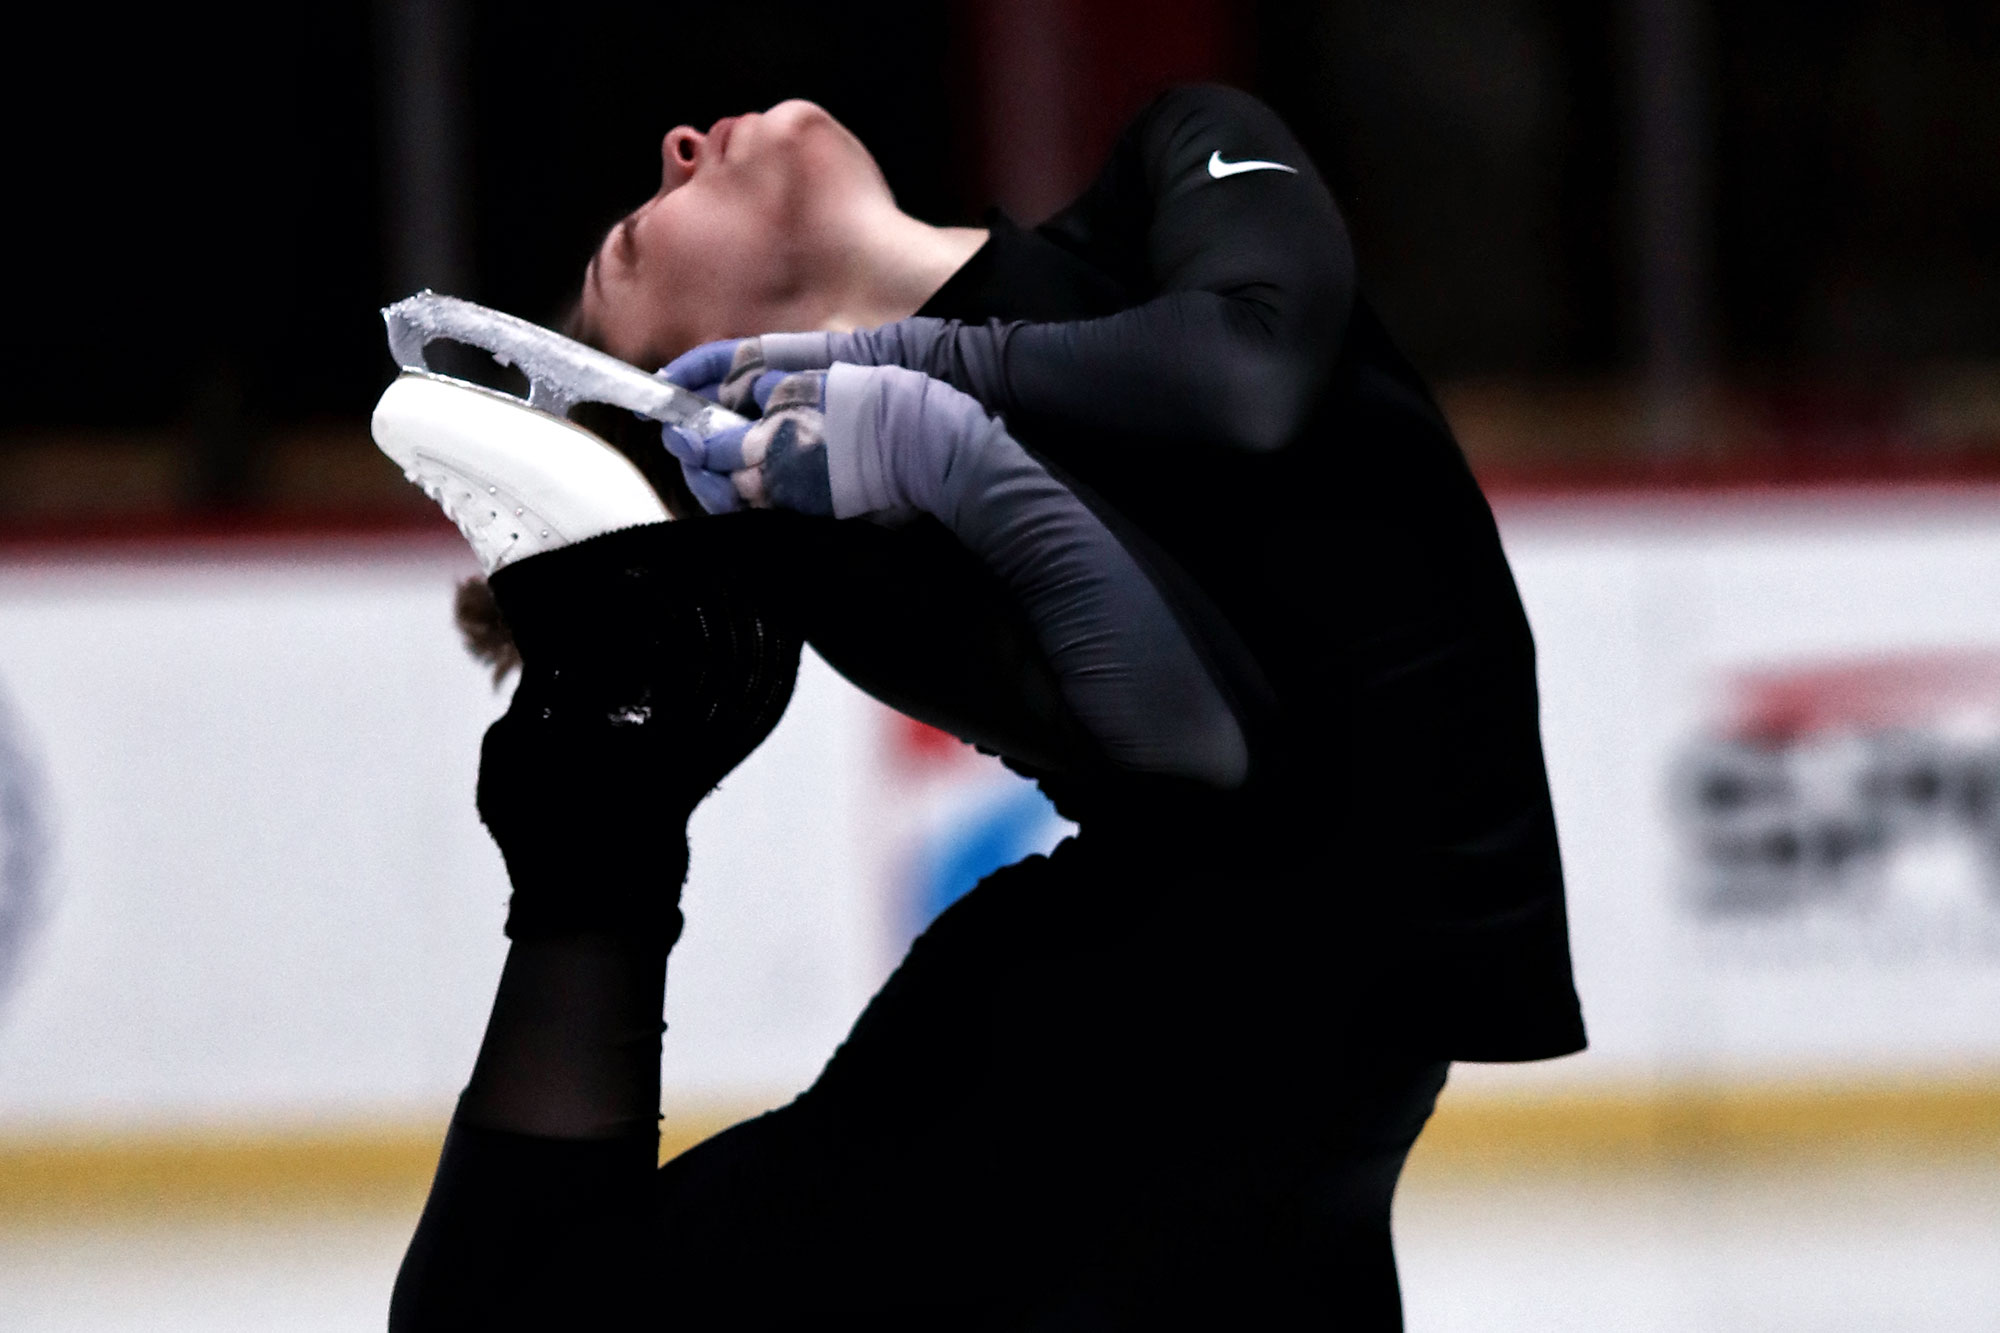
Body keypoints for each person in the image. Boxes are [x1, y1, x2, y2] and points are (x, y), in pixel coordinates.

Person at [389, 87, 1584, 1330]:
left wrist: (917, 380)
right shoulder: (851, 549)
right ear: (684, 383)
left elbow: (1247, 370)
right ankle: (592, 887)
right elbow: (1204, 753)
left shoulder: (1166, 176)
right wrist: (948, 457)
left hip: (1289, 1070)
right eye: (632, 244)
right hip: (1139, 1059)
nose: (676, 144)